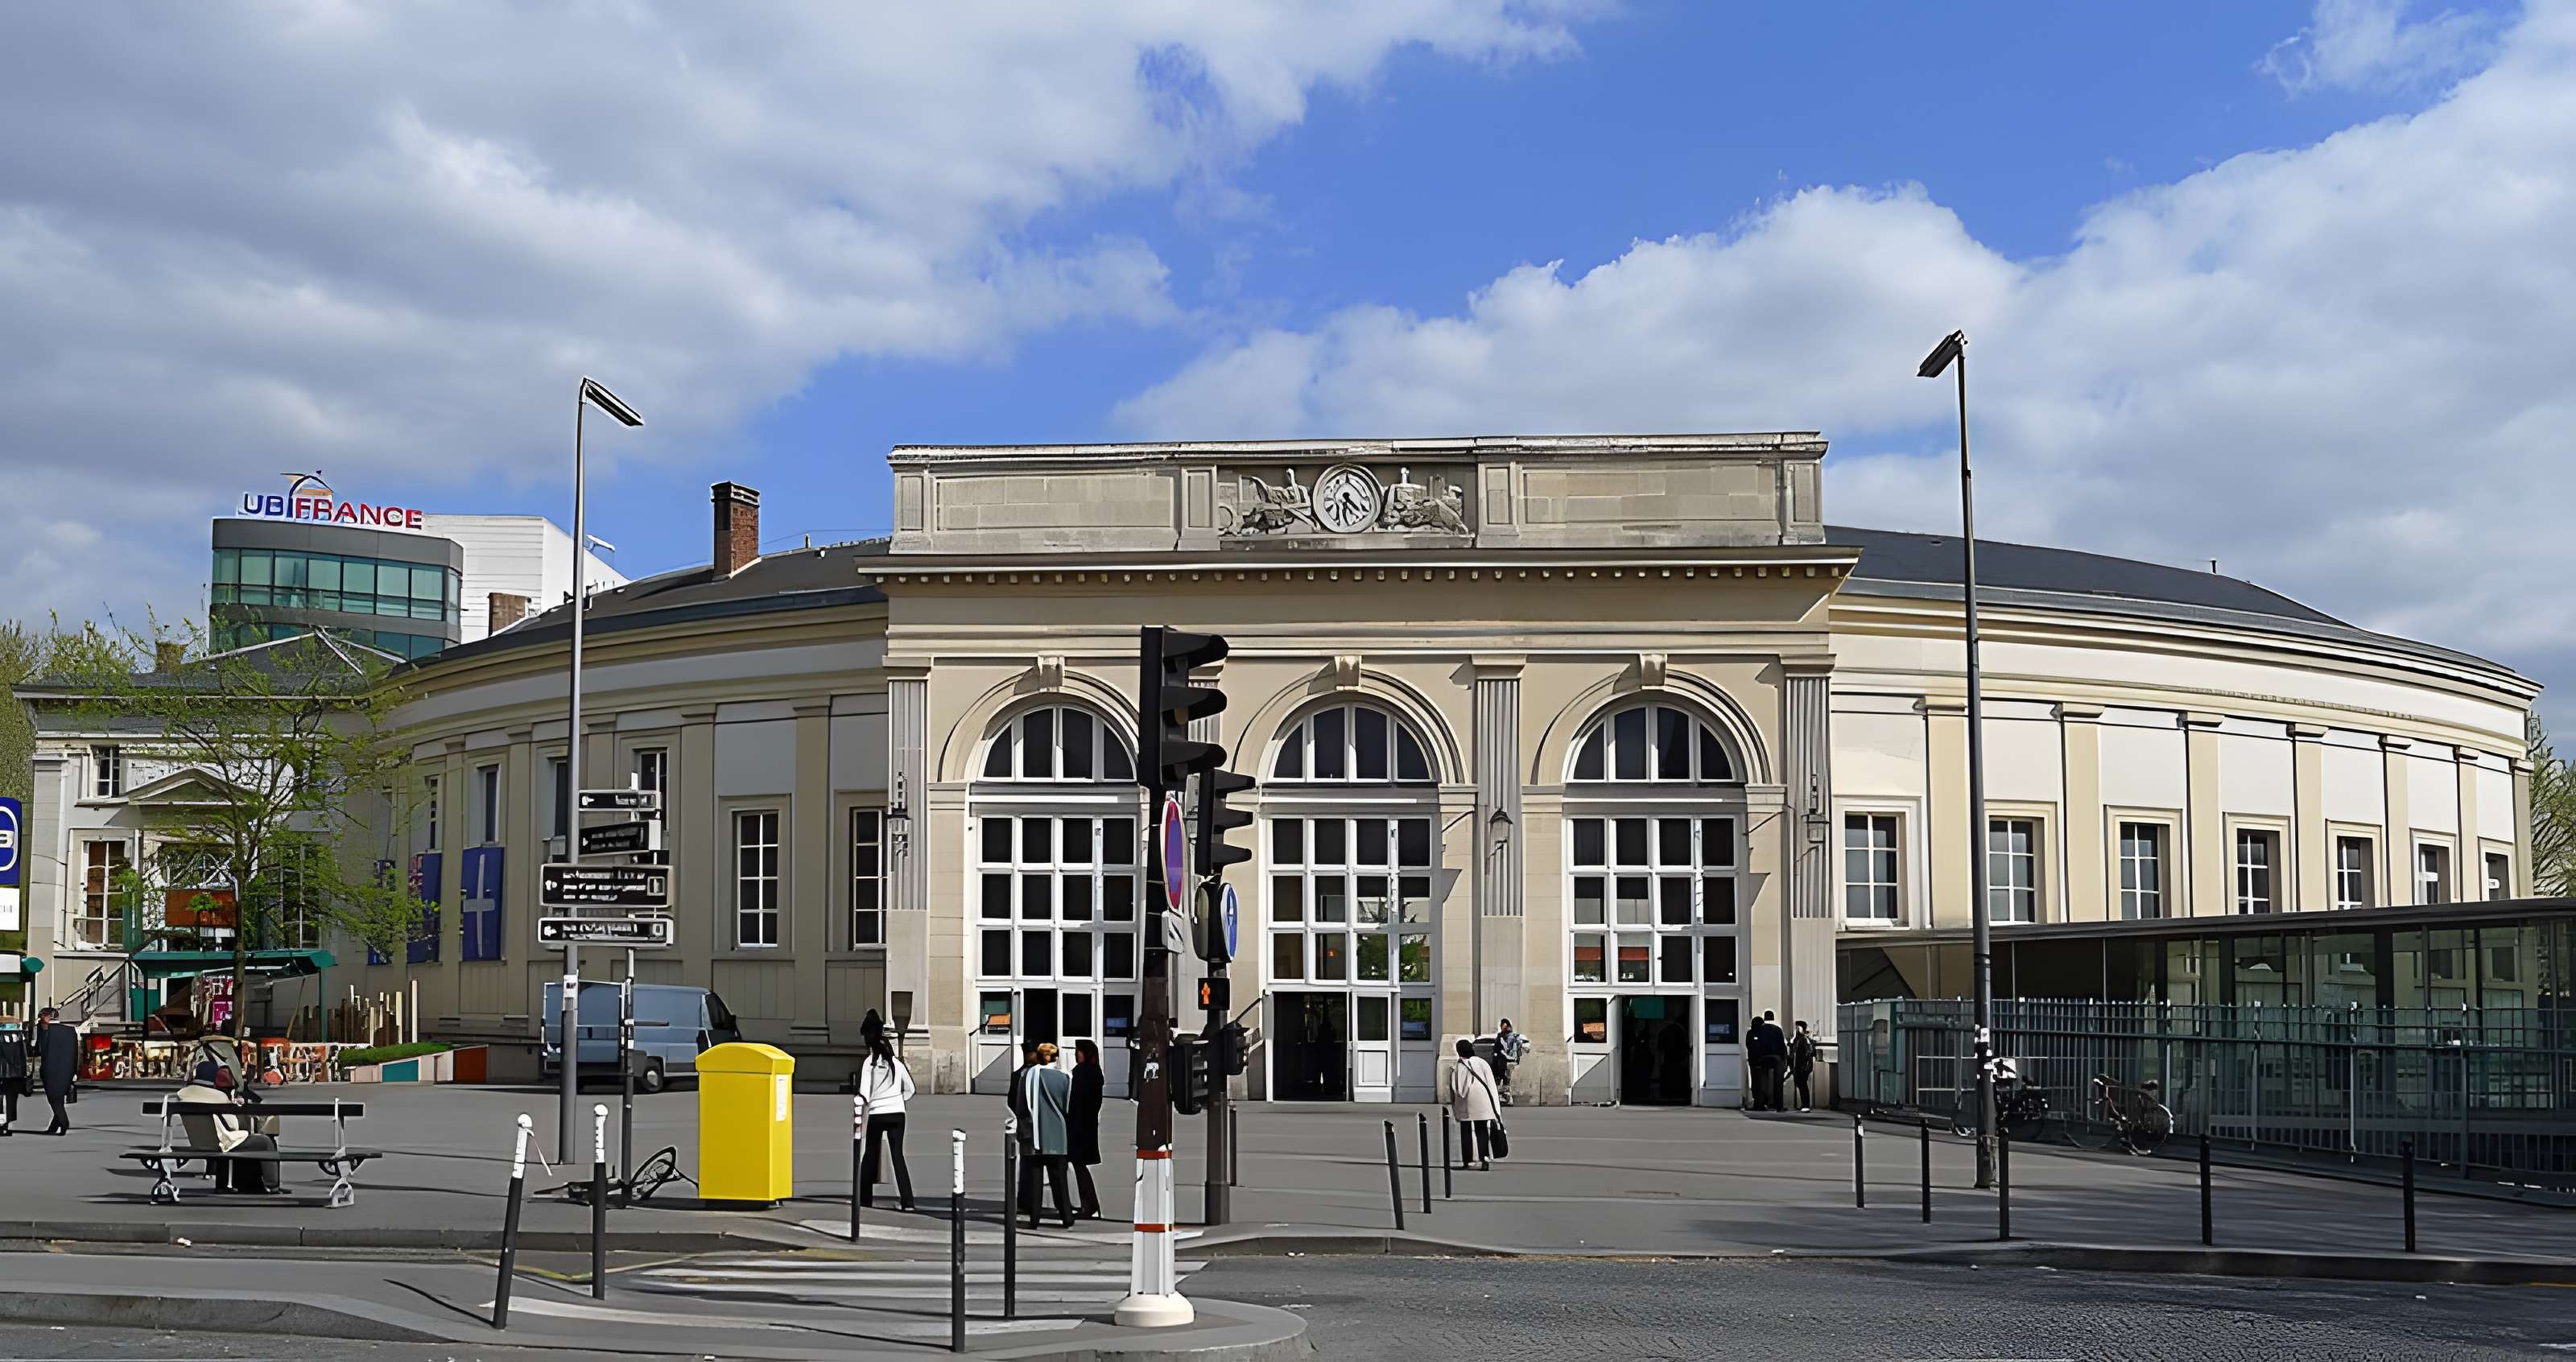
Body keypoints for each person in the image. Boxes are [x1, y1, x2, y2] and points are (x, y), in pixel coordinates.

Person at [175, 1059, 280, 1193]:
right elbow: (233, 1125)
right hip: (220, 1143)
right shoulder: (218, 1096)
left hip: (197, 1142)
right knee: (265, 1142)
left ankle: (224, 1185)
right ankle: (273, 1185)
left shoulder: (183, 1094)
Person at [853, 1009, 917, 1212]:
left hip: (876, 1114)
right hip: (898, 1113)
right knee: (898, 1156)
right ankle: (908, 1202)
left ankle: (865, 1199)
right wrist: (898, 1101)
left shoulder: (868, 1064)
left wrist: (866, 1105)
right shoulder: (896, 1063)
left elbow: (863, 1093)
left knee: (870, 1154)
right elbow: (911, 1089)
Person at [1007, 1042, 1075, 1228]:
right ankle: (1066, 1216)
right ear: (1056, 1057)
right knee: (1059, 1179)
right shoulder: (1065, 1078)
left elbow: (1020, 1105)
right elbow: (1069, 1107)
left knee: (1035, 1179)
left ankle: (1035, 1217)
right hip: (1058, 1134)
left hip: (1034, 1135)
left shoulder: (1026, 1076)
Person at [1447, 1038, 1501, 1171]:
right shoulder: (1482, 1063)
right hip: (1483, 1100)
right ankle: (1484, 1159)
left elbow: (1457, 1088)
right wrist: (1496, 1109)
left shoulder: (1459, 1065)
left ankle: (1468, 1160)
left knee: (1466, 1130)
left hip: (1466, 1102)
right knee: (1481, 1129)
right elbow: (1491, 1084)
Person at [1068, 1039, 1106, 1219]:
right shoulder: (1094, 1072)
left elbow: (1077, 1101)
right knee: (1079, 1165)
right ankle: (1089, 1204)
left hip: (1080, 1125)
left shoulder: (1084, 1073)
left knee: (1079, 1164)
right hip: (1087, 1124)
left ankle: (1089, 1204)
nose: (1077, 1054)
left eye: (1079, 1051)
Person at [33, 1009, 79, 1136]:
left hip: (51, 1069)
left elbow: (39, 1049)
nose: (40, 1018)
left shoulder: (45, 1030)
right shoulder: (70, 1031)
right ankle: (55, 1124)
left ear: (49, 1017)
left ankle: (64, 1122)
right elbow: (76, 1052)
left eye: (42, 1016)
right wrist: (75, 1071)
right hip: (67, 1070)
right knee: (59, 1099)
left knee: (54, 1099)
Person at [1746, 1010, 1787, 1112]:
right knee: (1778, 1084)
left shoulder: (1757, 1030)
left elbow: (1752, 1046)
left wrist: (1756, 1059)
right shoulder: (1778, 1029)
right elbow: (1783, 1046)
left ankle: (1761, 1103)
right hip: (1778, 1058)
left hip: (1762, 1058)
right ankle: (1779, 1105)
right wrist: (1784, 1060)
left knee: (1762, 1083)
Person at [0, 1009, 26, 1135]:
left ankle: (3, 1125)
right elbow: (23, 1056)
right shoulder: (18, 1037)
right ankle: (6, 1124)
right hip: (14, 1074)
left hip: (5, 1073)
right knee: (10, 1101)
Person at [1492, 1019, 1528, 1107]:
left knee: (1504, 1078)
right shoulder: (1508, 1036)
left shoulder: (1512, 1037)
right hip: (1506, 1061)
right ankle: (1505, 1096)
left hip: (1506, 1061)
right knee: (1505, 1078)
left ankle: (1505, 1097)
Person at [1788, 1020, 1822, 1112]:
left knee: (1802, 1085)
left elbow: (1805, 1053)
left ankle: (1805, 1104)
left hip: (1802, 1066)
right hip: (1799, 1065)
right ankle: (1804, 1104)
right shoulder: (1799, 1040)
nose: (1795, 1029)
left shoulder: (1803, 1040)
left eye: (1796, 1028)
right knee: (1801, 1084)